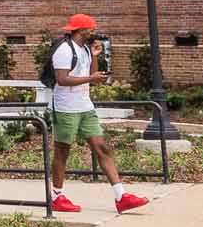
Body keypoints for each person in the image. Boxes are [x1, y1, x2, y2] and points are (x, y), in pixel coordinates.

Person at [47, 14, 150, 214]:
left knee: (102, 148)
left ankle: (121, 196)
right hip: (66, 108)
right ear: (81, 30)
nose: (93, 32)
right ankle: (57, 197)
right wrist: (90, 78)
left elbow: (91, 78)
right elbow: (62, 79)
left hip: (85, 106)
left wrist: (94, 58)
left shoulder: (85, 49)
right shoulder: (64, 50)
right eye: (90, 29)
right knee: (62, 152)